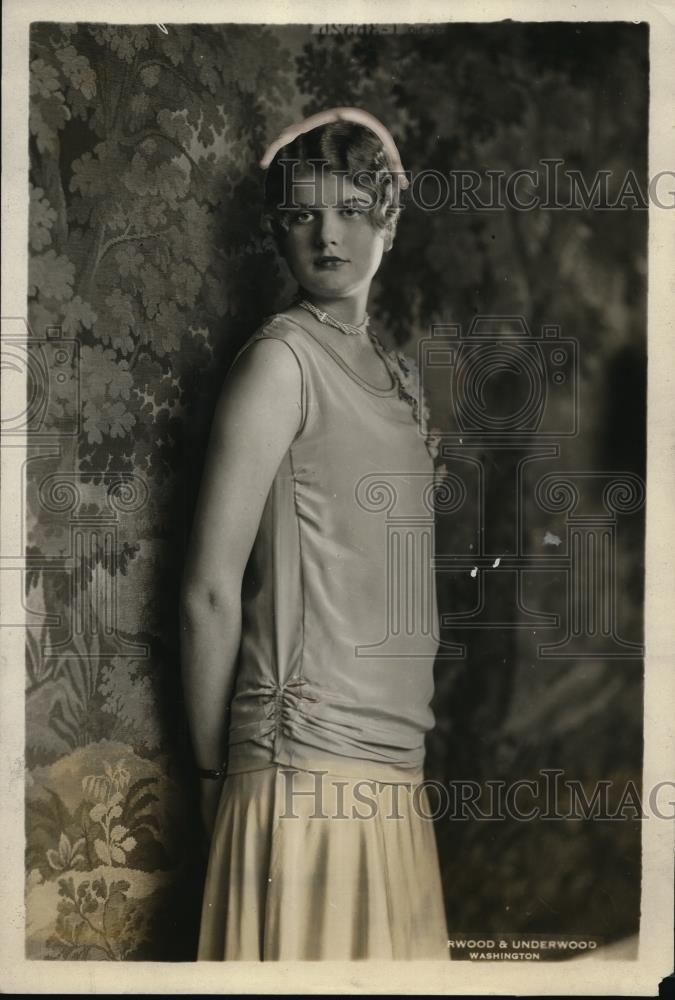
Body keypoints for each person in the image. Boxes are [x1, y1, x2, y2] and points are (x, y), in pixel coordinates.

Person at [180, 109, 449, 961]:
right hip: (300, 773)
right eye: (301, 215)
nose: (325, 234)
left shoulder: (394, 379)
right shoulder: (279, 362)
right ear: (278, 233)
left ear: (388, 218)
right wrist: (213, 775)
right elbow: (209, 591)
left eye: (346, 209)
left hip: (394, 769)